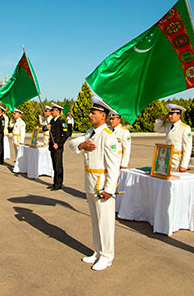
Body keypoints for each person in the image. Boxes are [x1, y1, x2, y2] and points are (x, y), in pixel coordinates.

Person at [72, 96, 121, 271]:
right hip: (90, 183)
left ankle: (107, 256)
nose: (90, 115)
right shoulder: (89, 133)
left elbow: (114, 167)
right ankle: (98, 251)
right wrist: (82, 145)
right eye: (91, 112)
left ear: (103, 115)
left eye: (94, 112)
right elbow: (71, 144)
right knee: (95, 220)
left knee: (105, 222)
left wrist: (110, 189)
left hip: (102, 186)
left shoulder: (109, 137)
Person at [154, 104, 192, 172]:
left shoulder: (185, 128)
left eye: (172, 114)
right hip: (167, 157)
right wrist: (161, 120)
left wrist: (184, 165)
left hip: (177, 159)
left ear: (178, 115)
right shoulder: (169, 126)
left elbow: (187, 147)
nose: (170, 116)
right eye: (169, 114)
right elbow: (157, 129)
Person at [47, 104, 70, 190]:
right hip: (52, 146)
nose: (52, 112)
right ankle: (55, 183)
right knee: (54, 166)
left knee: (58, 166)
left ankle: (59, 184)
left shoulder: (61, 121)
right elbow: (46, 128)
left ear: (58, 111)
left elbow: (66, 134)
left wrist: (59, 144)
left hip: (58, 147)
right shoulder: (52, 120)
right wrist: (46, 127)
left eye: (53, 110)